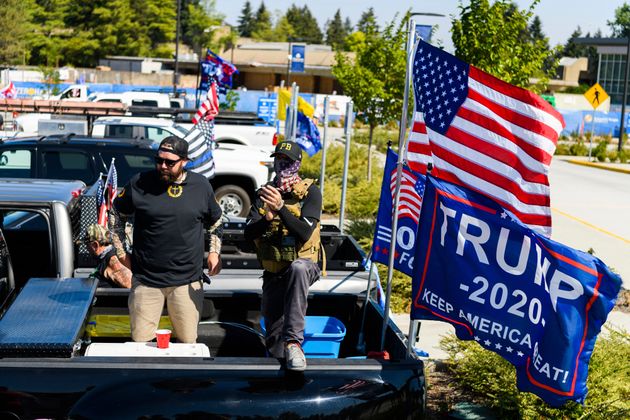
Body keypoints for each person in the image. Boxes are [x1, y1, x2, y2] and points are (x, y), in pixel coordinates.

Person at [114, 136, 223, 344]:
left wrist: (214, 253)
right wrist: (121, 253)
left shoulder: (201, 186)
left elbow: (216, 222)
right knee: (141, 345)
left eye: (170, 163)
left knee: (188, 342)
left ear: (184, 161)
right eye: (159, 160)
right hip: (146, 281)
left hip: (187, 281)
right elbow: (115, 215)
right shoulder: (139, 183)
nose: (162, 166)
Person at [244, 141, 322, 371]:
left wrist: (281, 209)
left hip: (305, 265)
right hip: (274, 270)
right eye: (278, 159)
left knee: (298, 268)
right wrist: (267, 218)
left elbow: (305, 232)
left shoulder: (310, 193)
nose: (282, 165)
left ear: (297, 164)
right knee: (273, 331)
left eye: (287, 161)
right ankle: (278, 368)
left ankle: (294, 342)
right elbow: (247, 235)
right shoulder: (265, 193)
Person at [83, 224, 132, 288]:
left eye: (87, 245)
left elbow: (130, 285)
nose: (87, 249)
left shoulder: (112, 261)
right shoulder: (104, 258)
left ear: (95, 245)